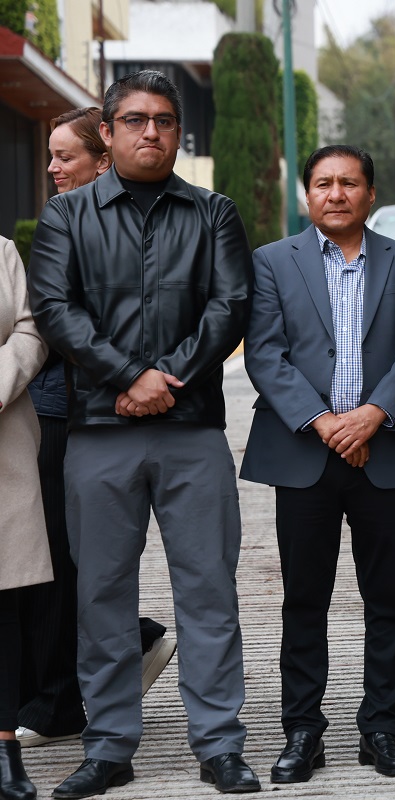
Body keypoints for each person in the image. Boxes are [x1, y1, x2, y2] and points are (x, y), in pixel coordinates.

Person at [27, 70, 260, 796]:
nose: (151, 131)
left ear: (178, 132)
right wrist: (130, 376)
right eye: (135, 119)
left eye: (164, 120)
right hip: (100, 432)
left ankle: (219, 745)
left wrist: (167, 380)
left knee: (208, 591)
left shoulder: (215, 213)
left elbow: (230, 306)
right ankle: (108, 747)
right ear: (108, 131)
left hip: (193, 432)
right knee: (100, 595)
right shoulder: (66, 217)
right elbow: (55, 310)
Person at [241, 145, 395, 783]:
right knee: (304, 599)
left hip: (383, 449)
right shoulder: (273, 261)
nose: (336, 193)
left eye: (349, 183)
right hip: (305, 454)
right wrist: (325, 422)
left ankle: (382, 729)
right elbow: (264, 353)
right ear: (307, 195)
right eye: (323, 183)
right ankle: (302, 731)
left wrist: (373, 415)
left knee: (389, 600)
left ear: (370, 194)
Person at [18, 107, 176, 752]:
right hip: (51, 409)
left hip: (80, 414)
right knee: (53, 558)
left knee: (62, 560)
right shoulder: (60, 223)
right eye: (51, 155)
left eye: (66, 156)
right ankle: (105, 661)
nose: (53, 167)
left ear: (103, 160)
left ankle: (68, 694)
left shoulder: (118, 228)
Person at [0, 234, 51, 800]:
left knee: (1, 604)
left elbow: (31, 329)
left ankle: (3, 748)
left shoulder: (1, 252)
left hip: (2, 444)